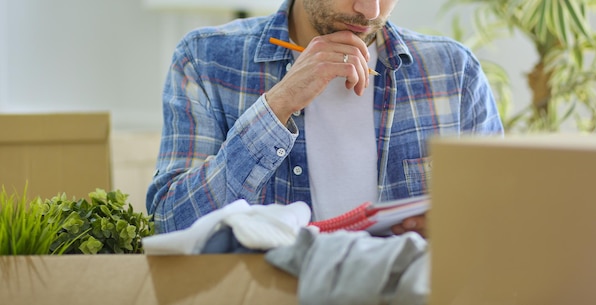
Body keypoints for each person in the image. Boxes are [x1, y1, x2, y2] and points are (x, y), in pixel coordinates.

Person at [146, 0, 504, 238]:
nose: (370, 9)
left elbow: (503, 228)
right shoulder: (205, 59)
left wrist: (460, 232)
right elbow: (170, 223)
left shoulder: (455, 74)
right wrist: (278, 105)